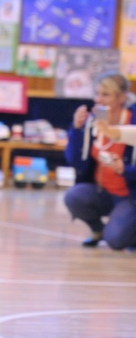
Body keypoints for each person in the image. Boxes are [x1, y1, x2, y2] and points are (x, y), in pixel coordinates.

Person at [63, 72, 136, 250]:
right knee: (74, 196)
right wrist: (76, 130)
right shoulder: (92, 122)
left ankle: (128, 230)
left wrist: (124, 169)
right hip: (102, 191)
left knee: (117, 241)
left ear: (121, 98)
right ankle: (98, 230)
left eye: (105, 95)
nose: (99, 100)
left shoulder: (132, 122)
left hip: (130, 195)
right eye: (97, 94)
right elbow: (75, 161)